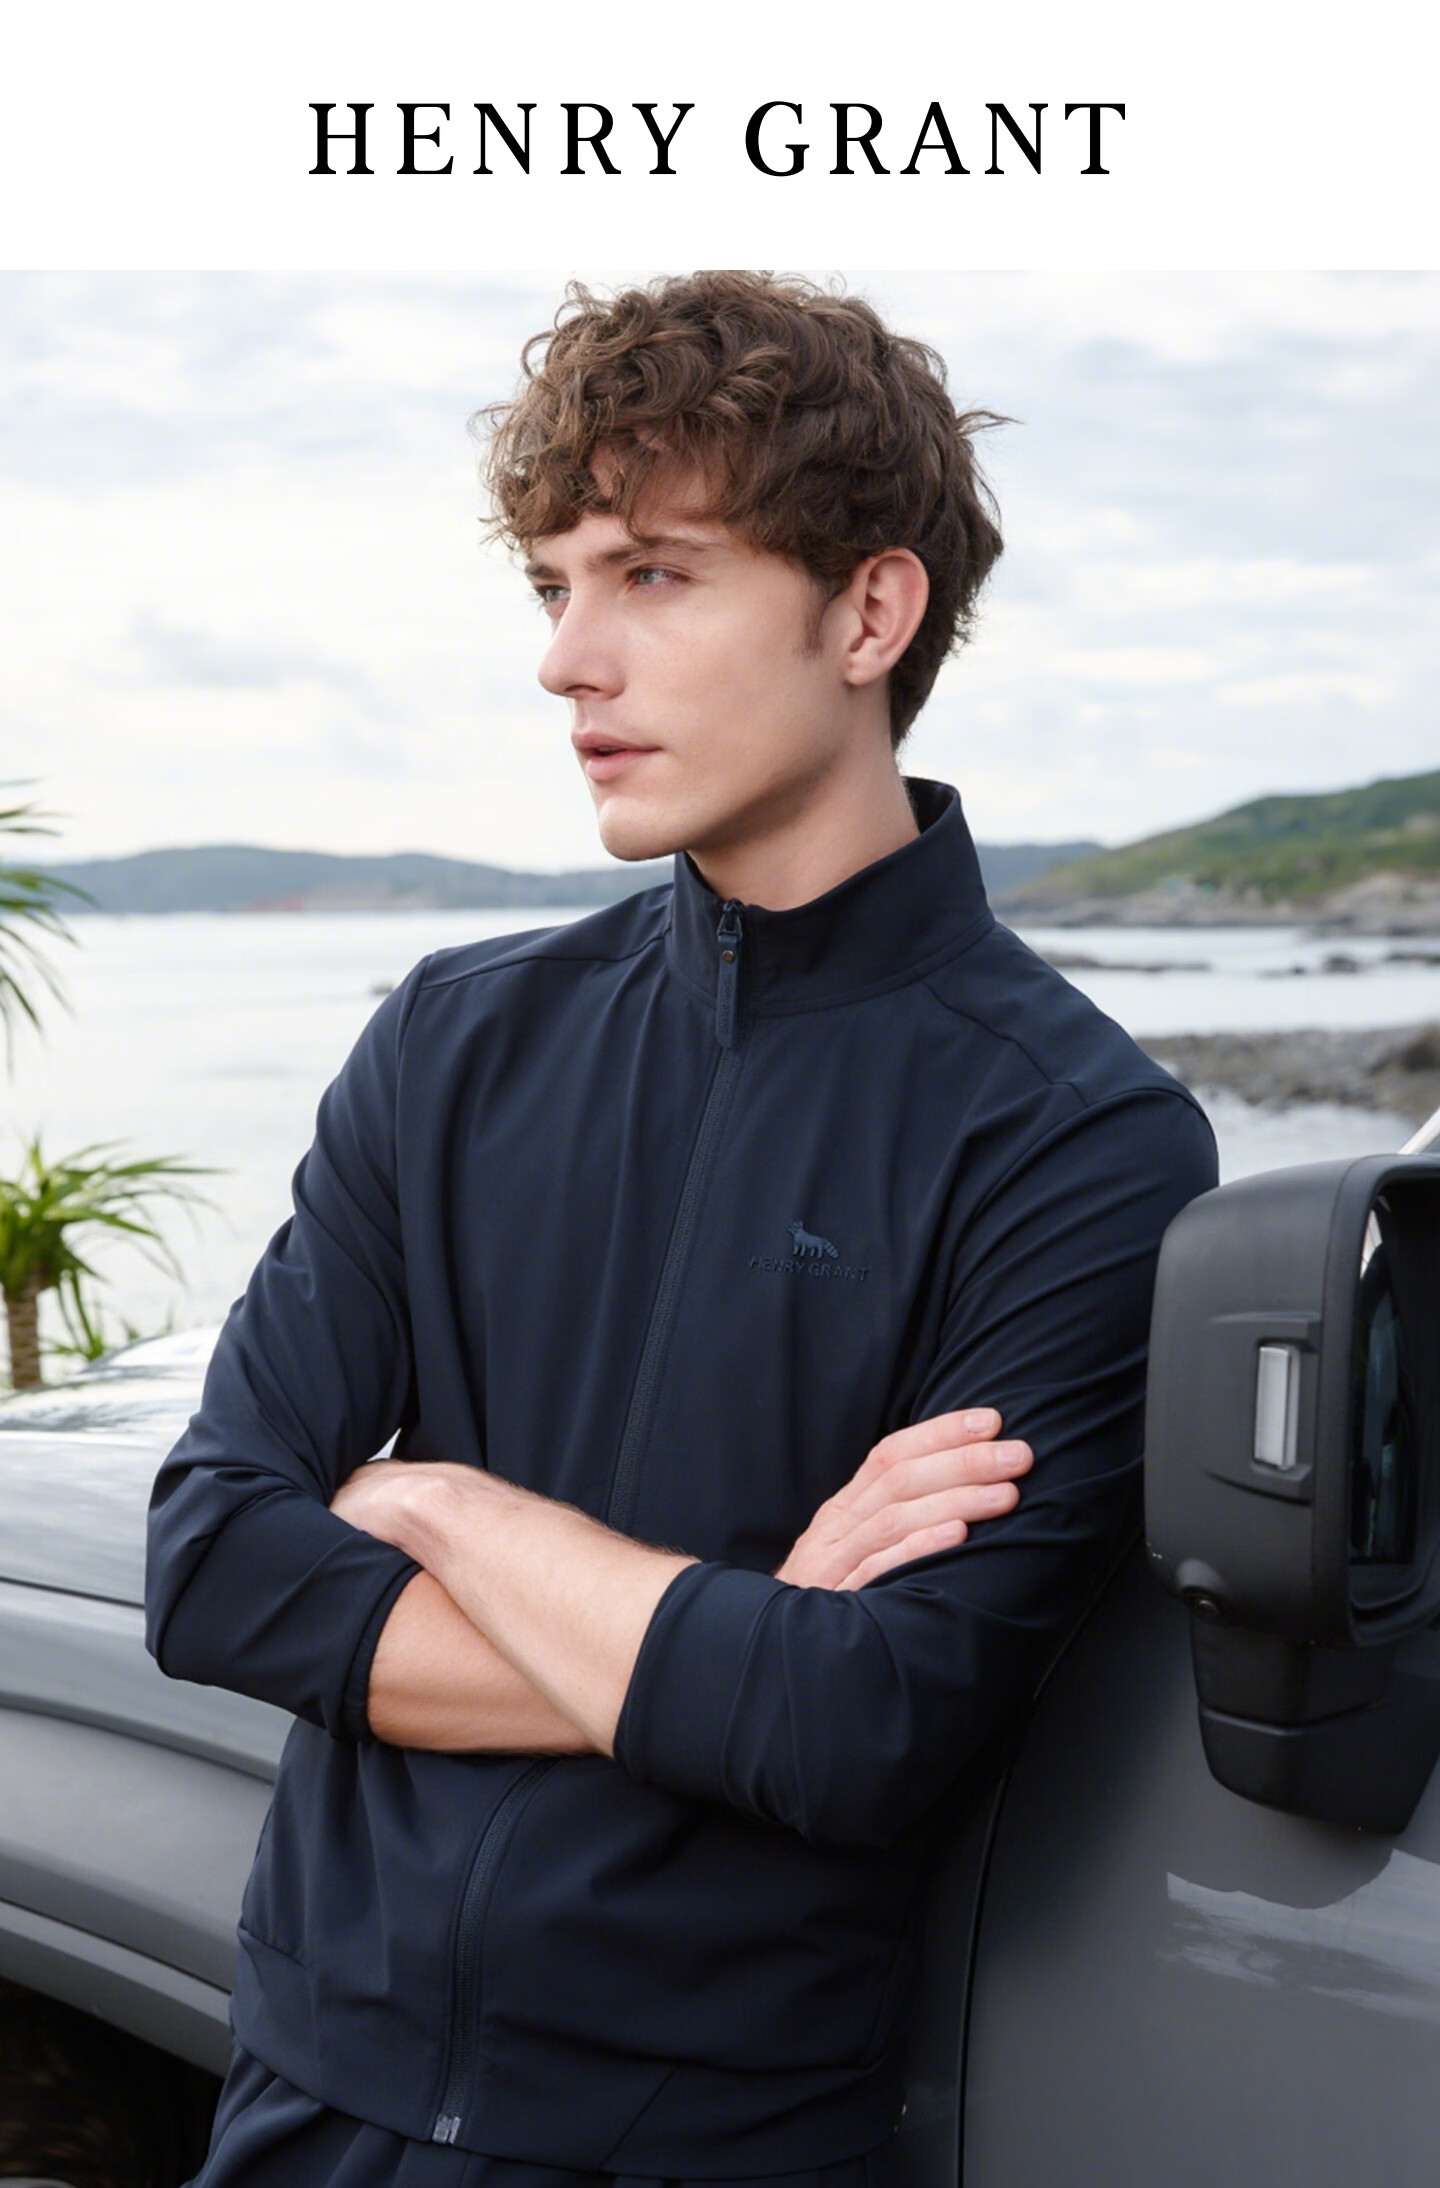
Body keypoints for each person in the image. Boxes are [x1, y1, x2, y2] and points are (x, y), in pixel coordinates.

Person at [146, 270, 1217, 2186]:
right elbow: (215, 1568)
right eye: (554, 585)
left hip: (710, 2141)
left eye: (652, 575)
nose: (569, 661)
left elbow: (860, 1728)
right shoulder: (455, 1038)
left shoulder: (1080, 1140)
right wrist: (729, 1637)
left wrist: (444, 1506)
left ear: (868, 613)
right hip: (308, 2097)